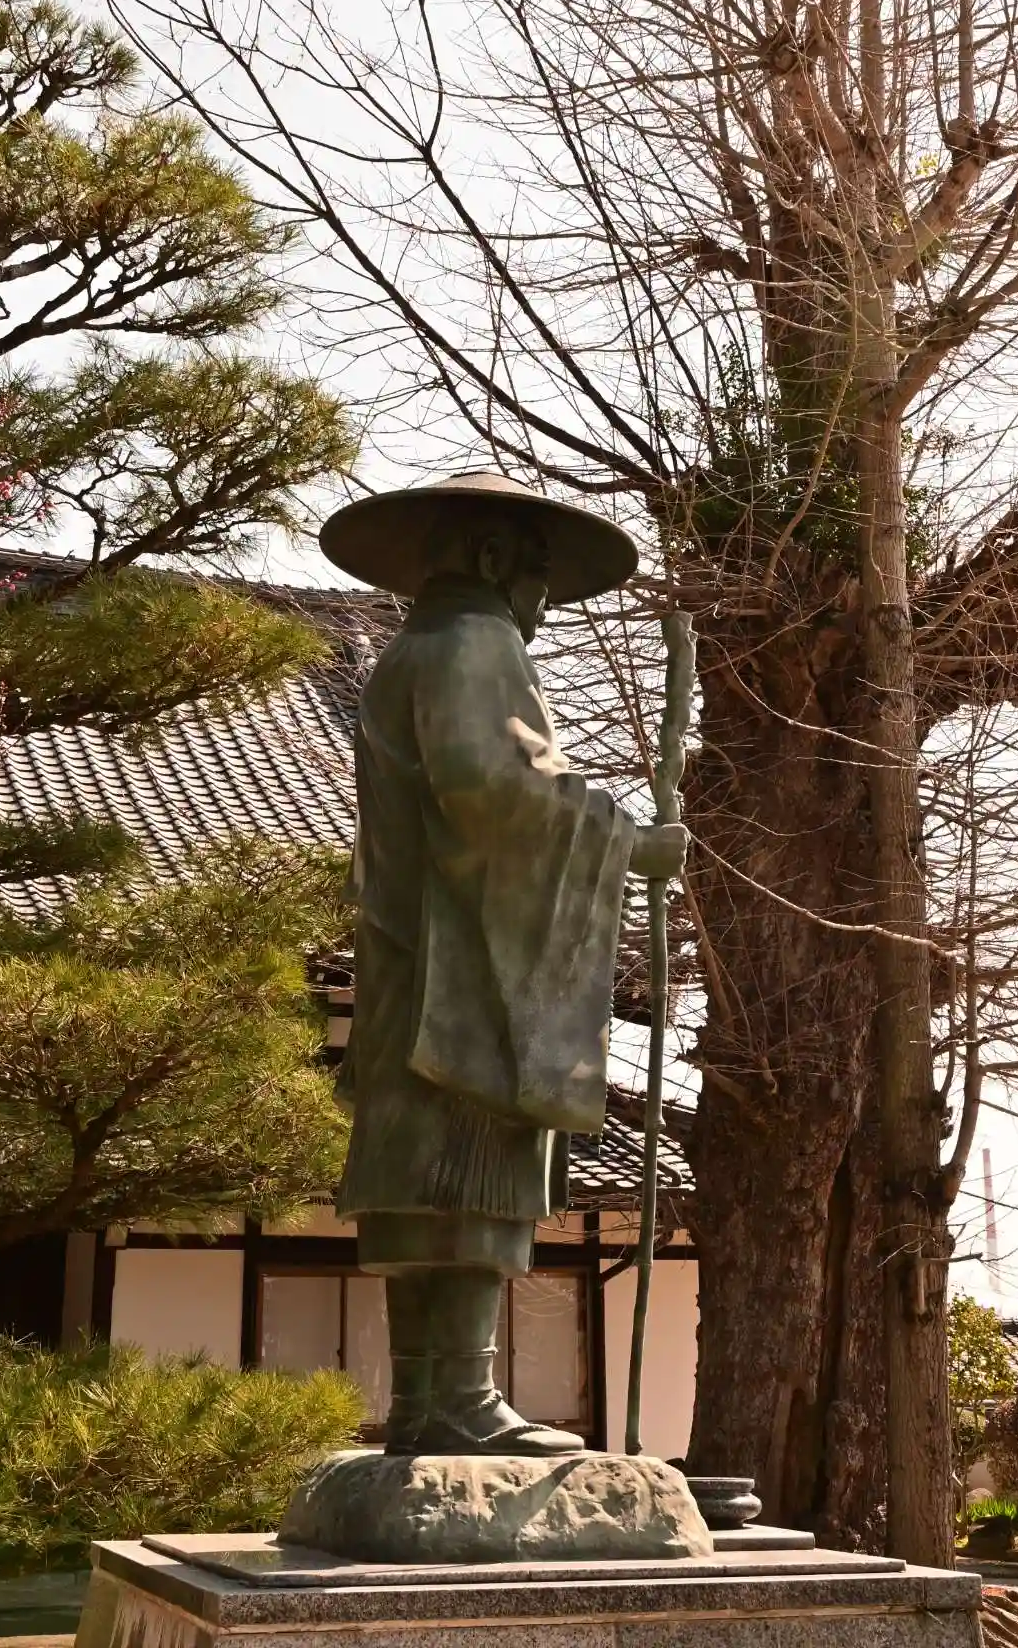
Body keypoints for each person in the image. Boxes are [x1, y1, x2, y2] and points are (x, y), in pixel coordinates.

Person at [319, 471, 687, 1456]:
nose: (542, 605)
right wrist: (626, 843)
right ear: (490, 559)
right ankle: (462, 1398)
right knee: (468, 1173)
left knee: (425, 1184)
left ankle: (425, 1402)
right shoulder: (476, 641)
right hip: (464, 975)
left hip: (410, 965)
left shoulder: (406, 654)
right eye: (537, 579)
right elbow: (495, 787)